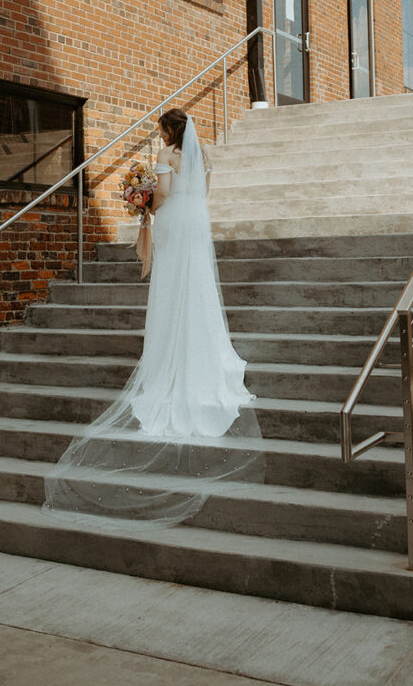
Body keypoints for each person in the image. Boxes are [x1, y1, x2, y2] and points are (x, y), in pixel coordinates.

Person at [43, 108, 265, 529]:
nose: (159, 134)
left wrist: (144, 201)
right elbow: (203, 193)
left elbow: (161, 196)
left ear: (168, 131)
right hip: (196, 223)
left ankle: (170, 363)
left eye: (161, 128)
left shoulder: (167, 154)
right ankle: (206, 357)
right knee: (196, 290)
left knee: (171, 291)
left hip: (174, 223)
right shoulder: (205, 156)